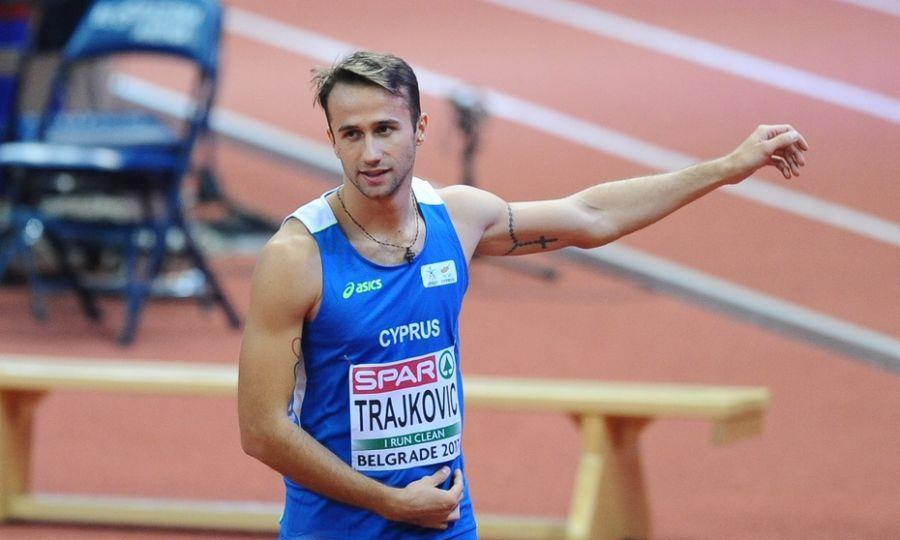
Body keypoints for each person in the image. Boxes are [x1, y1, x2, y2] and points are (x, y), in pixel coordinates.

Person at [237, 50, 808, 540]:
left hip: (443, 519)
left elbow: (591, 215)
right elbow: (262, 431)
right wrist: (388, 501)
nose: (370, 154)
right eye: (351, 134)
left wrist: (727, 168)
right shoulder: (297, 257)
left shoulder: (457, 220)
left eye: (385, 129)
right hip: (339, 528)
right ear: (331, 140)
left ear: (420, 127)